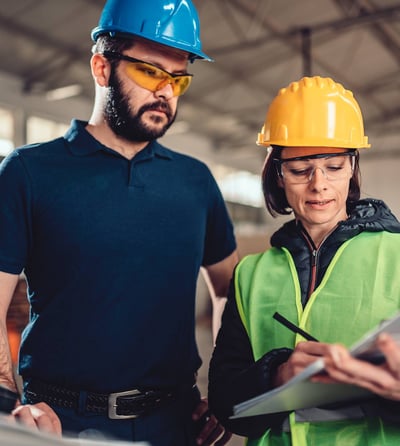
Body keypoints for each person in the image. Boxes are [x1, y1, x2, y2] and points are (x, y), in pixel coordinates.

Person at [0, 0, 239, 444]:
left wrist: (227, 390)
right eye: (150, 72)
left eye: (178, 79)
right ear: (101, 68)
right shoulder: (29, 173)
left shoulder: (195, 181)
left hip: (175, 423)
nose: (166, 92)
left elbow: (227, 289)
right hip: (62, 423)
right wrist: (7, 406)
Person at [208, 75, 400, 445]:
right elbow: (224, 402)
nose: (319, 184)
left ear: (353, 167)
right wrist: (276, 375)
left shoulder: (396, 256)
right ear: (278, 174)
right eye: (300, 170)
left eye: (334, 167)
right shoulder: (251, 274)